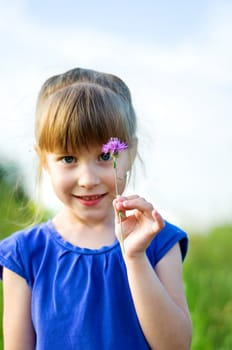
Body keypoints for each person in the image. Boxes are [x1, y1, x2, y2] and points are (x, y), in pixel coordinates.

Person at [0, 67, 192, 350]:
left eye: (105, 155)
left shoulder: (159, 241)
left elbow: (176, 346)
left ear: (132, 152)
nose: (88, 180)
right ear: (43, 159)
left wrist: (135, 257)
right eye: (68, 158)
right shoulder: (24, 254)